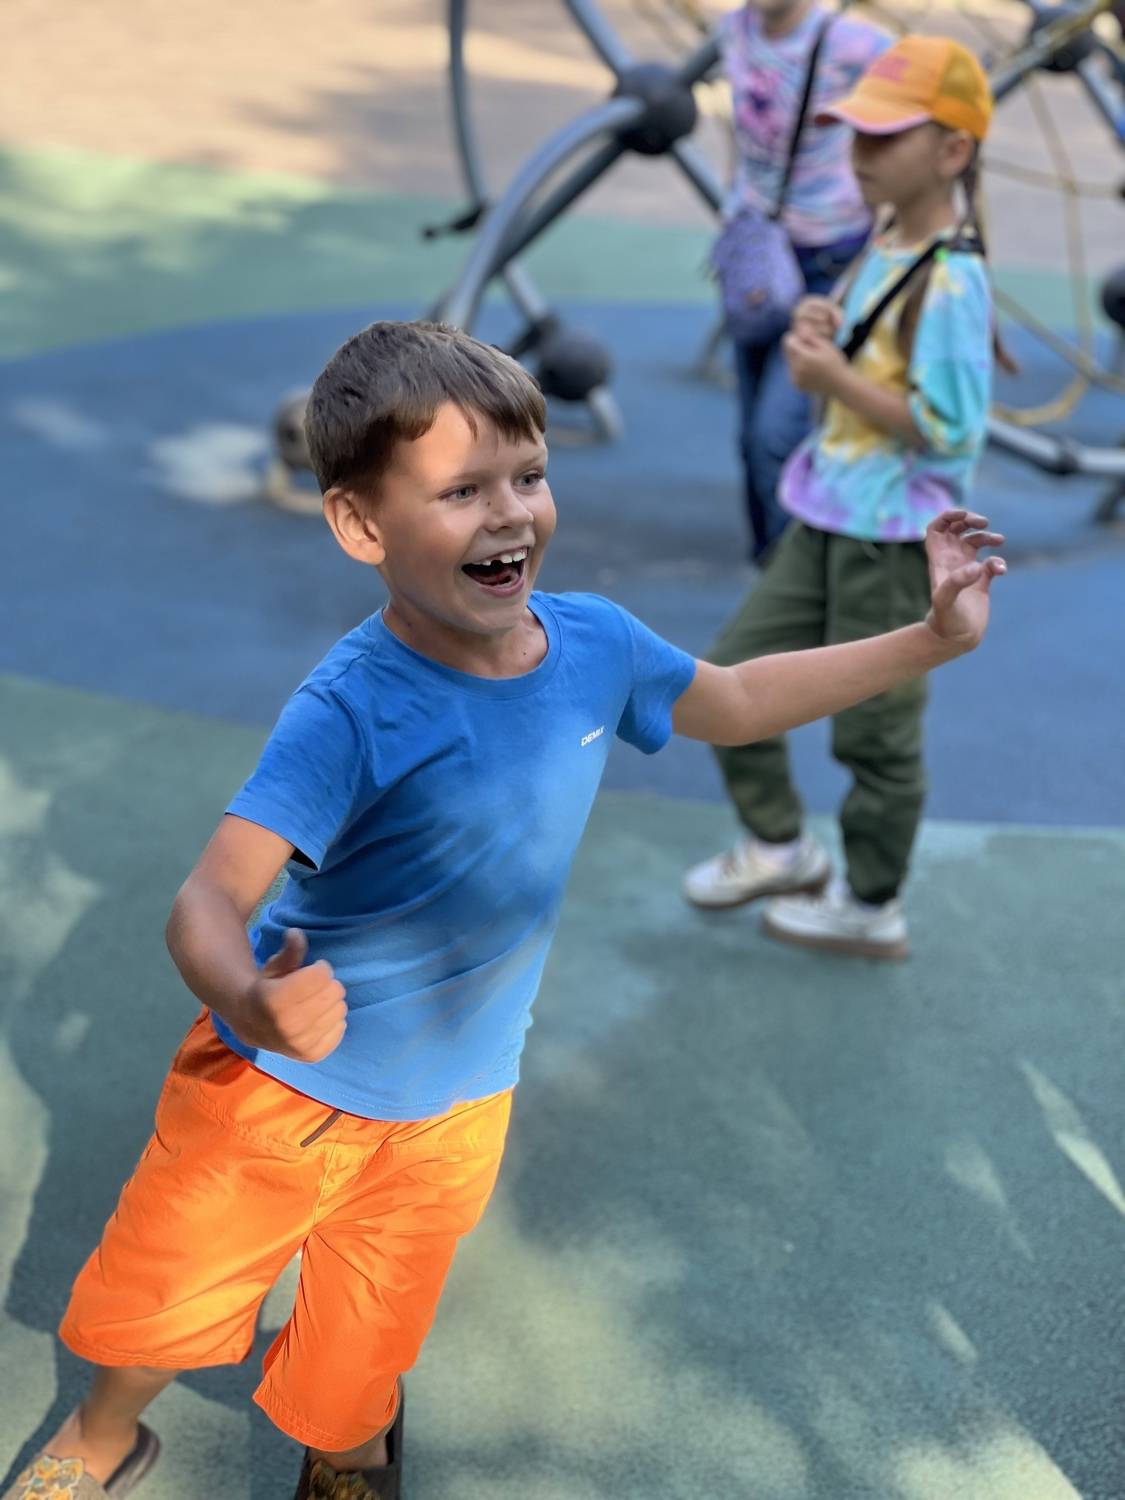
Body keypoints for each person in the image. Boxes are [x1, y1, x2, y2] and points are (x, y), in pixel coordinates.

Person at [5, 320, 1004, 1500]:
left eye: (529, 476)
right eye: (463, 491)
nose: (511, 514)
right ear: (360, 526)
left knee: (364, 1350)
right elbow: (208, 897)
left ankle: (348, 1459)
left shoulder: (594, 645)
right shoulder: (351, 706)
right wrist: (248, 998)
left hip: (454, 1107)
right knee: (164, 1300)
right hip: (278, 1093)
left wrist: (931, 639)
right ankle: (104, 1436)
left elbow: (735, 700)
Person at [684, 35, 1002, 961]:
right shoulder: (885, 239)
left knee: (875, 730)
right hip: (827, 512)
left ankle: (870, 901)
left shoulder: (953, 277)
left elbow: (950, 428)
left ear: (951, 150)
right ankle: (780, 845)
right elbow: (872, 356)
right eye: (856, 133)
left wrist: (832, 378)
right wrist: (826, 327)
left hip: (891, 535)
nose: (859, 154)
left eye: (884, 137)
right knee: (724, 681)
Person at [718, 0, 890, 562]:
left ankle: (790, 575)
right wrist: (737, 207)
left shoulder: (854, 43)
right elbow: (741, 135)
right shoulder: (735, 29)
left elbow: (910, 116)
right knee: (750, 433)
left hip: (827, 257)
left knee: (776, 434)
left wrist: (885, 221)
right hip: (760, 253)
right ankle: (768, 566)